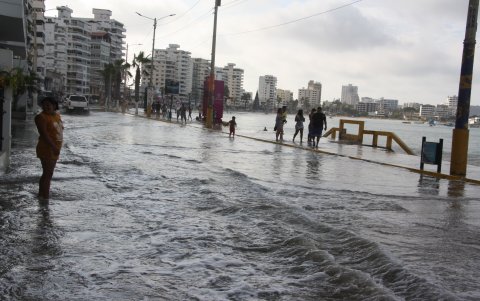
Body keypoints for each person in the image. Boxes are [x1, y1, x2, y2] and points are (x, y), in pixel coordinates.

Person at [35, 97, 63, 201]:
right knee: (47, 174)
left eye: (49, 104)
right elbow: (44, 135)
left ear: (54, 105)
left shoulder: (56, 115)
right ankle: (45, 199)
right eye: (44, 105)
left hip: (55, 148)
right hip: (47, 148)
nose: (46, 107)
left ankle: (41, 196)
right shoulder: (41, 117)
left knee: (48, 173)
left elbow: (58, 131)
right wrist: (54, 147)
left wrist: (57, 147)